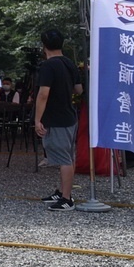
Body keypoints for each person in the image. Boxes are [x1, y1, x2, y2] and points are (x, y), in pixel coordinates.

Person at [34, 29, 83, 210]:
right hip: (69, 115)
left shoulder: (48, 66)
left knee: (64, 159)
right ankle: (61, 191)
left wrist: (37, 119)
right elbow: (79, 89)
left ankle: (67, 199)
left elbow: (43, 94)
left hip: (56, 118)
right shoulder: (69, 63)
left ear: (44, 46)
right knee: (67, 155)